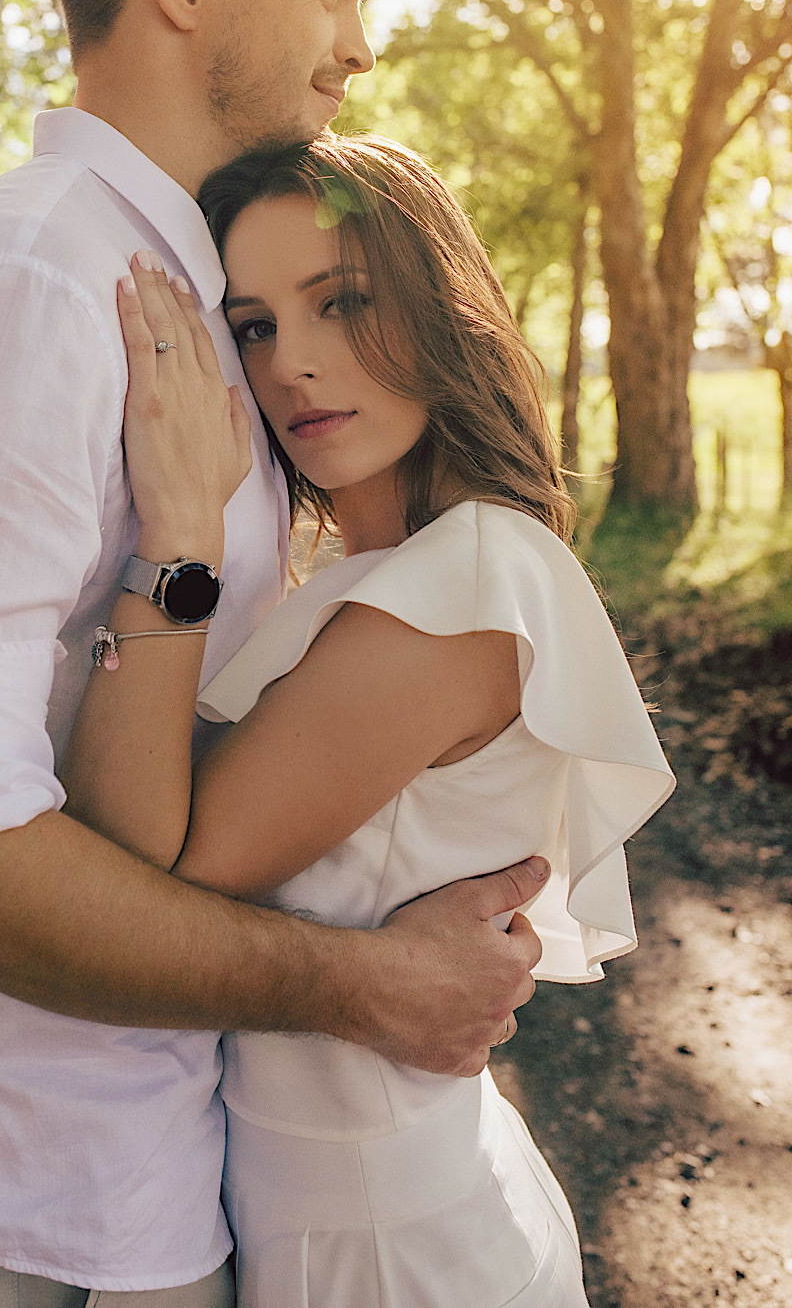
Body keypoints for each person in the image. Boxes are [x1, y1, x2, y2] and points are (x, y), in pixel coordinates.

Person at [0, 0, 550, 1308]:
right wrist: (365, 987)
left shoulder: (194, 303)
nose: (360, 42)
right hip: (12, 1203)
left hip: (148, 1179)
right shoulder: (33, 284)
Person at [60, 134, 675, 1307]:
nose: (293, 363)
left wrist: (178, 536)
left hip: (387, 1252)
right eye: (253, 326)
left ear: (443, 310)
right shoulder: (365, 580)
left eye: (341, 301)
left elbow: (142, 866)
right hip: (340, 1215)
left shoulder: (461, 588)